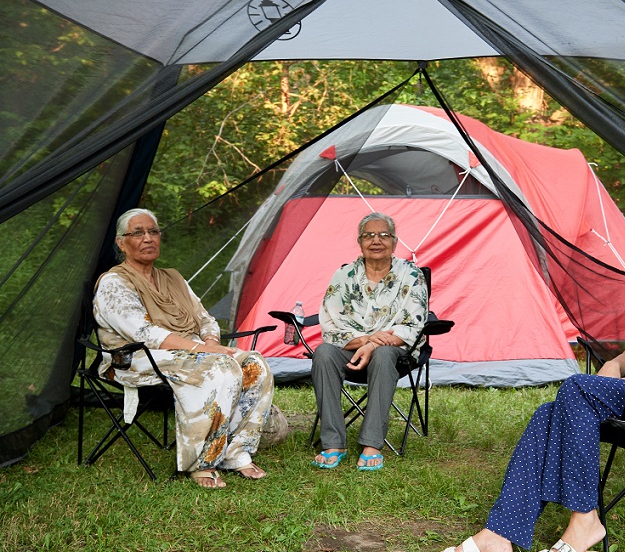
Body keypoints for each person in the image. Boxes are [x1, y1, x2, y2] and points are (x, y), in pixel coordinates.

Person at [431, 206, 625, 552]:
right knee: (549, 412)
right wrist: (614, 364)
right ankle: (499, 534)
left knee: (578, 388)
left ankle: (585, 520)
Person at [93, 208, 274, 489]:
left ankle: (236, 452)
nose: (148, 238)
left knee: (255, 363)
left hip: (186, 350)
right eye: (138, 232)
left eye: (153, 231)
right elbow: (144, 333)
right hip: (134, 357)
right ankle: (202, 461)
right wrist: (201, 350)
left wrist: (211, 343)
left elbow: (205, 318)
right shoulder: (114, 282)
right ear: (121, 243)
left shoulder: (173, 278)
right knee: (220, 367)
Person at [311, 212, 428, 471]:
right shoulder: (344, 275)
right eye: (369, 235)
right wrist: (364, 340)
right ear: (360, 242)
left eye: (384, 235)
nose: (376, 240)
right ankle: (333, 442)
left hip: (393, 351)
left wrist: (373, 345)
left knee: (385, 355)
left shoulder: (411, 275)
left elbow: (413, 325)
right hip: (350, 349)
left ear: (395, 242)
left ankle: (372, 444)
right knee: (324, 353)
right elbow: (329, 324)